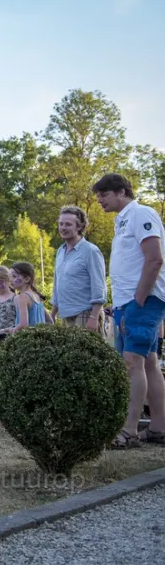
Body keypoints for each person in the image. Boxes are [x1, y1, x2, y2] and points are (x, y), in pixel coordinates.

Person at [92, 173, 165, 449]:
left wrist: (139, 297)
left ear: (122, 191)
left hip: (143, 300)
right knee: (148, 362)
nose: (100, 200)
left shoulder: (141, 213)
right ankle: (159, 428)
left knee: (131, 362)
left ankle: (129, 430)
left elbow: (154, 258)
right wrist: (121, 301)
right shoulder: (120, 221)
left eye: (104, 195)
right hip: (128, 302)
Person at [50, 205, 107, 332]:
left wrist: (94, 317)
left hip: (85, 313)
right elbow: (57, 284)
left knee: (86, 352)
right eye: (61, 224)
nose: (63, 228)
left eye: (68, 224)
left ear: (80, 226)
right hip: (65, 314)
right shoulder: (60, 251)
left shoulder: (91, 251)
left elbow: (99, 286)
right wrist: (52, 314)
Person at [10, 262, 47, 331]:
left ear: (26, 279)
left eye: (14, 276)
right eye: (9, 277)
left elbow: (23, 325)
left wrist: (9, 330)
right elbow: (50, 321)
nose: (10, 279)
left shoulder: (22, 297)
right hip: (40, 339)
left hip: (26, 339)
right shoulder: (37, 296)